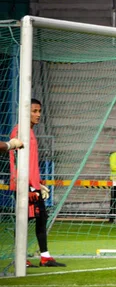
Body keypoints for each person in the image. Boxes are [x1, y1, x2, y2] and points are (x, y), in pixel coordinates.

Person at [9, 98, 65, 267]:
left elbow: (30, 163)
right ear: (25, 112)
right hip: (24, 186)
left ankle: (42, 256)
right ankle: (26, 257)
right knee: (26, 219)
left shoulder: (30, 132)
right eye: (34, 111)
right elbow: (17, 162)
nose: (38, 114)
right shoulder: (20, 132)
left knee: (40, 217)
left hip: (31, 184)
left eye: (39, 111)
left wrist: (38, 183)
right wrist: (27, 186)